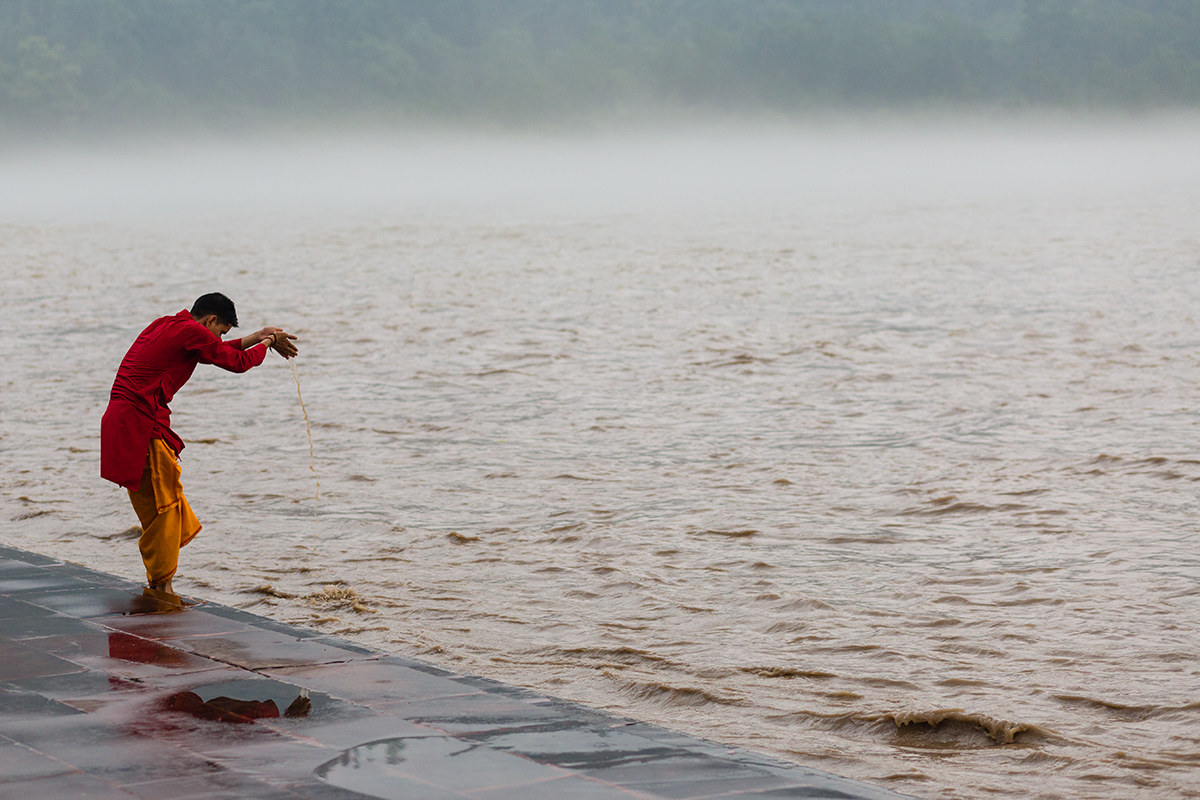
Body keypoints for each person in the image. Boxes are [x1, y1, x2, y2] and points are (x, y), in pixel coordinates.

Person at [101, 292, 298, 596]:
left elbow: (217, 349)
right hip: (140, 424)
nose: (220, 338)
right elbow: (237, 362)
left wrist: (259, 335)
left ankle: (159, 582)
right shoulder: (191, 332)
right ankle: (162, 586)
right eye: (220, 331)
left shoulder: (169, 324)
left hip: (122, 420)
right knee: (165, 508)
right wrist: (268, 343)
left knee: (159, 507)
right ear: (210, 321)